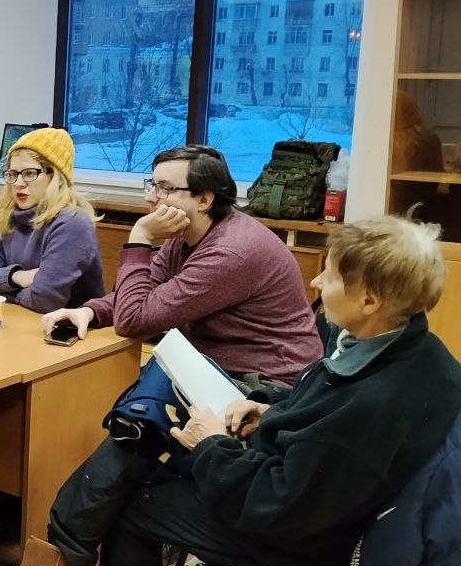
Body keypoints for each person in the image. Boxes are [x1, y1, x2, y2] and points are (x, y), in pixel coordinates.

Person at [0, 216, 461, 566]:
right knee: (146, 436)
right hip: (324, 503)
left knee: (138, 492)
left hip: (311, 540)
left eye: (328, 275)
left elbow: (280, 502)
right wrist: (272, 409)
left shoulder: (372, 403)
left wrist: (212, 444)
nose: (315, 282)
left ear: (370, 299)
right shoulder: (417, 355)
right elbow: (324, 421)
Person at [43, 144, 322, 386]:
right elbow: (143, 294)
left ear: (204, 200)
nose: (150, 197)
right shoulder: (185, 232)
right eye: (152, 185)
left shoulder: (230, 253)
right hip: (214, 368)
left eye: (166, 188)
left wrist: (140, 237)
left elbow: (133, 321)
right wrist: (90, 311)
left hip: (267, 385)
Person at [0, 127, 105, 312]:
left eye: (29, 173)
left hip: (67, 327)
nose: (19, 183)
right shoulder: (12, 216)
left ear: (55, 177)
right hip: (21, 320)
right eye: (12, 174)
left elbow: (44, 300)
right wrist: (17, 277)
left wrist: (1, 293)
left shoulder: (72, 222)